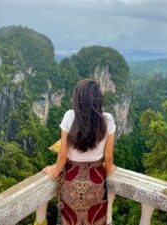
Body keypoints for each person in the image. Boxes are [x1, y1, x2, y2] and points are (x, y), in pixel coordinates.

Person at [43, 79, 116, 225]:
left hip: (71, 178)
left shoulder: (70, 116)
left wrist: (54, 172)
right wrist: (108, 172)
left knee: (70, 218)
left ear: (78, 98)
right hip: (96, 179)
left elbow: (63, 154)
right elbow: (108, 156)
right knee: (94, 217)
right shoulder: (107, 119)